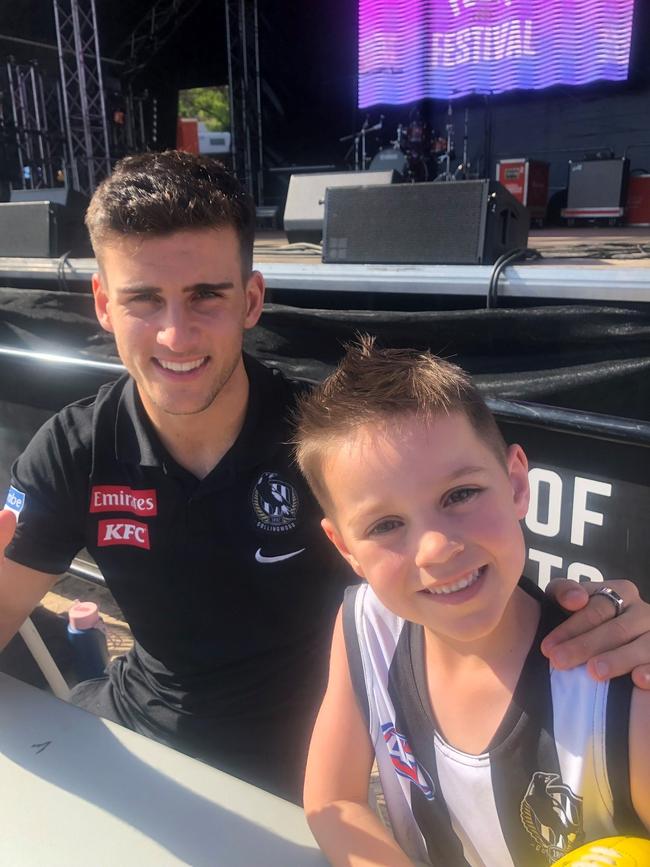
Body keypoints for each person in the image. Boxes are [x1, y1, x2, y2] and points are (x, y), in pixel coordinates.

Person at [0, 152, 649, 805]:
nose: (175, 333)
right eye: (144, 299)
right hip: (136, 742)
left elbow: (468, 569)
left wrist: (598, 617)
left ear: (251, 299)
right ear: (104, 304)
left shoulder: (323, 439)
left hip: (302, 780)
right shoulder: (74, 447)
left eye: (206, 295)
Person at [294, 339, 650, 865]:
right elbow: (333, 798)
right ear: (347, 548)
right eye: (386, 525)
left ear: (515, 483)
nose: (437, 548)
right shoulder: (367, 626)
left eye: (460, 495)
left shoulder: (619, 689)